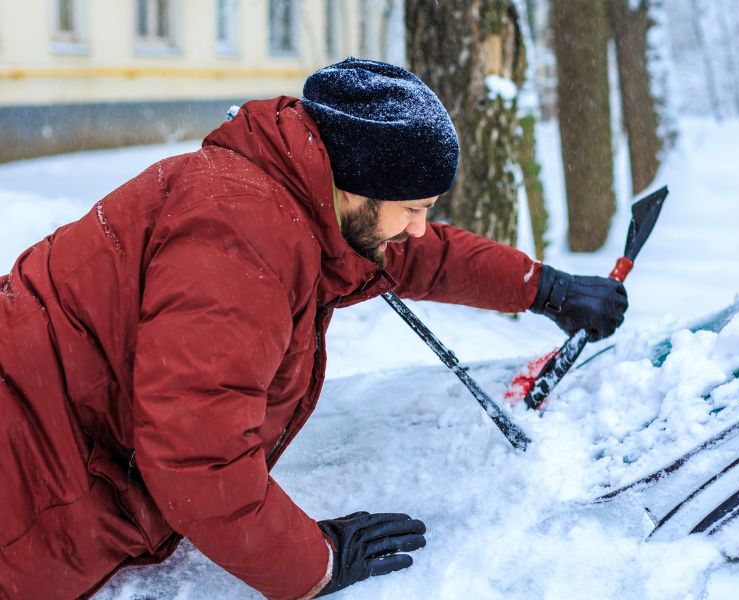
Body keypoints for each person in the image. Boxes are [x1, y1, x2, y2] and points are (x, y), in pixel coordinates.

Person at [0, 58, 627, 599]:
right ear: (357, 186)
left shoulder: (299, 198)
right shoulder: (240, 240)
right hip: (24, 485)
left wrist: (546, 288)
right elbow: (197, 457)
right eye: (413, 209)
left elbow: (420, 255)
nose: (415, 228)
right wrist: (317, 562)